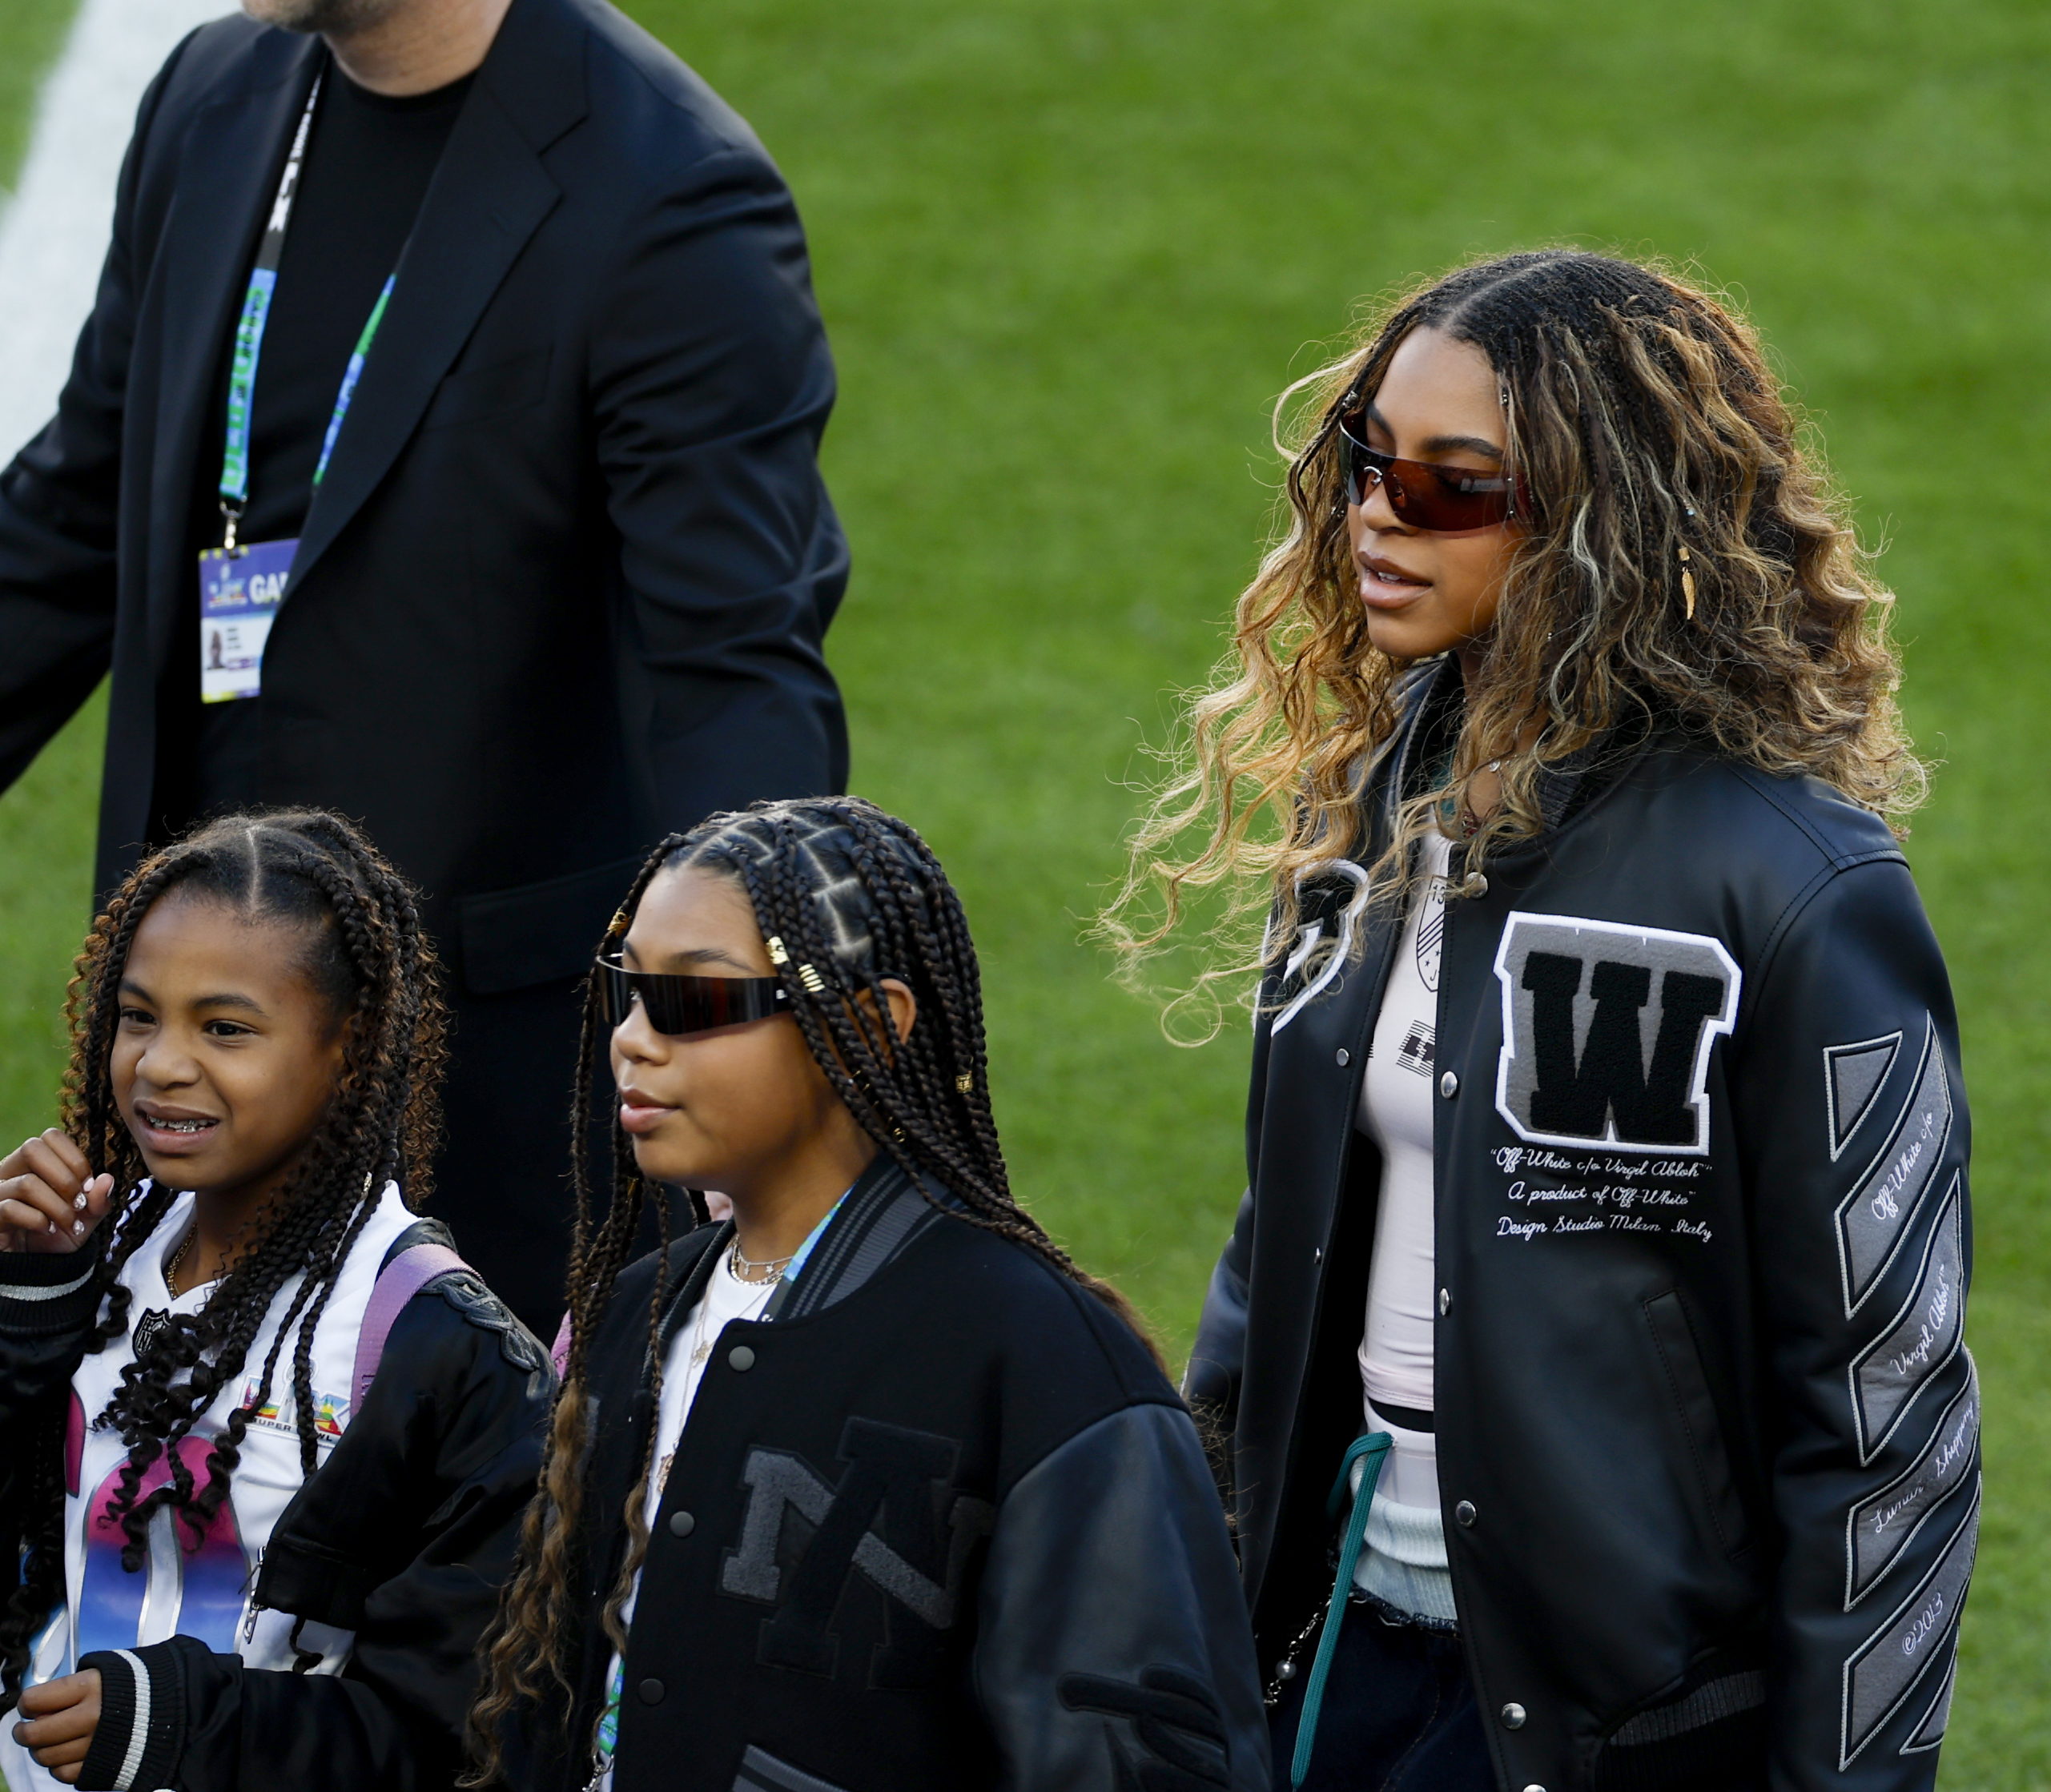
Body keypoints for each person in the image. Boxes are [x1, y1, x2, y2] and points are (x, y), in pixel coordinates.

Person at [1109, 250, 1978, 1791]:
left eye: (1454, 488)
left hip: (1614, 1721)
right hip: (1331, 1652)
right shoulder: (1364, 811)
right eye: (1364, 462)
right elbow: (1278, 1242)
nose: (1379, 513)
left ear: (1598, 520)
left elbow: (1886, 1422)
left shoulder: (1791, 887)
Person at [0, 0, 850, 1340]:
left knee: (450, 1538)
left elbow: (731, 673)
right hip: (191, 1054)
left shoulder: (668, 197)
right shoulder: (214, 95)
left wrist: (738, 1032)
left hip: (468, 1106)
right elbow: (77, 505)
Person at [468, 797, 1270, 1792]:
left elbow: (1136, 1758)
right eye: (627, 994)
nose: (634, 1039)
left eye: (695, 1003)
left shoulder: (1039, 1359)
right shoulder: (633, 1315)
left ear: (866, 1024)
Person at [0, 811, 551, 1792]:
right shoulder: (89, 1250)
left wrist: (181, 1725)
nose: (162, 1063)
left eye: (225, 1028)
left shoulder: (438, 1348)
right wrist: (27, 1307)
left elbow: (456, 1733)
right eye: (137, 1016)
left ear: (351, 1046)